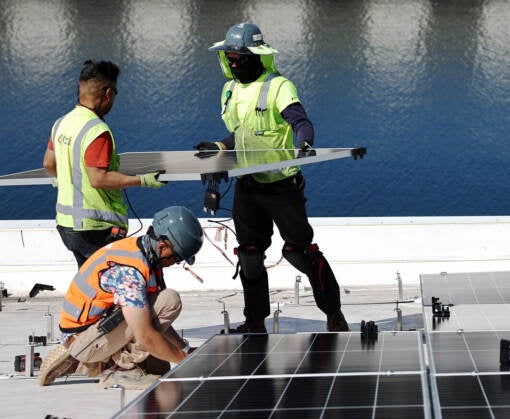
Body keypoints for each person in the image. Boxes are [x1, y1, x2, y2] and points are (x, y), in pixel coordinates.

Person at [195, 22, 349, 333]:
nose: (233, 63)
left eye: (239, 58)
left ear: (256, 56)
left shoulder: (279, 86)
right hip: (247, 184)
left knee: (299, 250)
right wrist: (218, 147)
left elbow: (300, 121)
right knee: (250, 254)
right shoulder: (231, 90)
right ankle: (254, 321)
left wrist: (304, 143)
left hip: (281, 186)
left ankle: (334, 314)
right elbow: (241, 133)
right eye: (230, 58)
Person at [38, 205, 203, 389]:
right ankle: (119, 370)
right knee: (169, 301)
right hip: (84, 338)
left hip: (94, 329)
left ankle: (87, 362)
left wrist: (185, 350)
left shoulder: (145, 253)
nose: (175, 263)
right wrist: (185, 361)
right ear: (163, 246)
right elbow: (145, 335)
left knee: (160, 366)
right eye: (177, 258)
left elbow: (154, 315)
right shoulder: (129, 274)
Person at [43, 60, 165, 267]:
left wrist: (64, 180)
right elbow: (98, 178)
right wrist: (142, 180)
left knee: (90, 281)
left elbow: (48, 163)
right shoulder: (97, 131)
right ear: (108, 93)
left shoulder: (62, 123)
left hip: (67, 225)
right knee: (110, 283)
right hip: (95, 228)